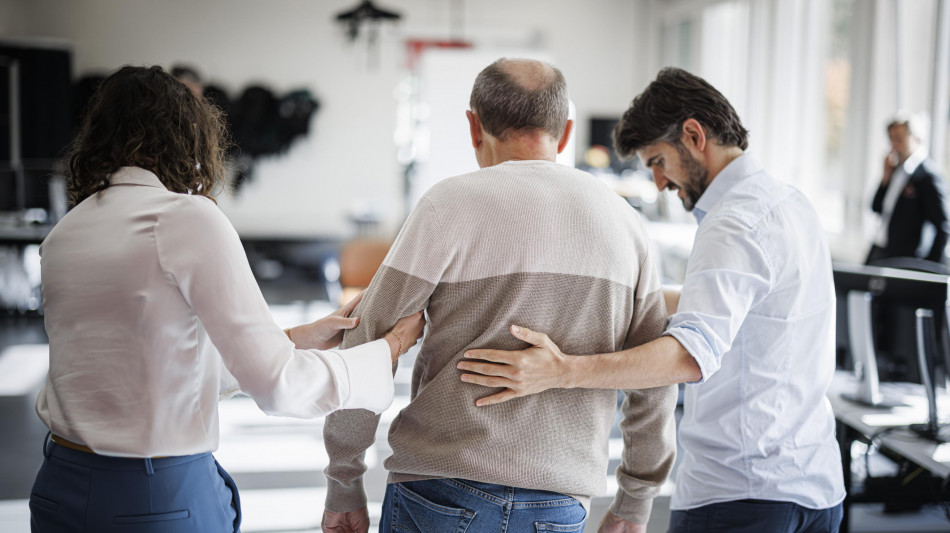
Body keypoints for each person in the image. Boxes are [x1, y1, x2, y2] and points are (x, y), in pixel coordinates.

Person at [30, 65, 425, 533]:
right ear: (187, 136)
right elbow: (280, 385)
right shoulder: (184, 217)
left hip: (60, 490)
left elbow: (151, 363)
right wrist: (388, 351)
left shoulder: (66, 232)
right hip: (154, 497)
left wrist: (294, 337)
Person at [458, 67, 846, 533]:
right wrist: (616, 296)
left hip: (744, 493)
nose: (659, 183)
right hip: (816, 486)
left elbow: (688, 357)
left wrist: (565, 371)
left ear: (693, 135)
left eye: (659, 161)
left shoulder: (731, 222)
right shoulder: (788, 203)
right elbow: (738, 307)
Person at [321, 58, 677, 533]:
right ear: (566, 131)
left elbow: (368, 339)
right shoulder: (626, 224)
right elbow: (653, 373)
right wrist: (636, 500)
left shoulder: (446, 205)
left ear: (474, 124)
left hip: (439, 487)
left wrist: (344, 479)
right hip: (559, 498)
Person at [866, 111, 949, 265]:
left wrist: (928, 267)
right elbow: (876, 208)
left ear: (916, 138)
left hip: (906, 258)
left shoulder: (928, 177)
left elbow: (944, 226)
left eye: (899, 139)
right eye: (891, 139)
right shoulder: (896, 169)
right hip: (881, 247)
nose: (894, 145)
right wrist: (885, 179)